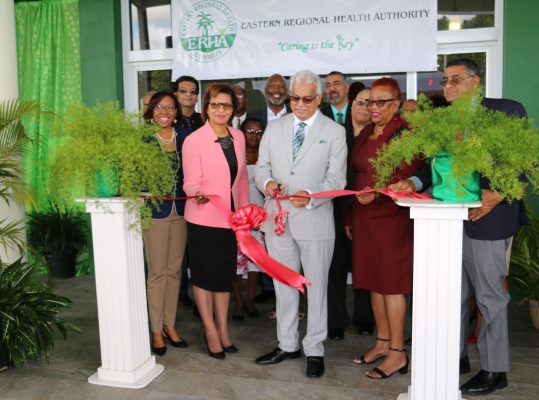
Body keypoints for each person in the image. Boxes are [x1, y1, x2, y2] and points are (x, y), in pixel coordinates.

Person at [389, 58, 527, 395]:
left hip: (488, 220)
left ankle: (495, 370)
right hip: (447, 225)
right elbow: (429, 170)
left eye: (455, 79)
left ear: (475, 82)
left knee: (489, 297)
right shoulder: (440, 122)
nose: (447, 86)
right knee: (454, 295)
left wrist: (497, 195)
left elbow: (524, 161)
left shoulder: (505, 111)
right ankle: (454, 358)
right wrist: (412, 182)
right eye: (445, 80)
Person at [254, 69, 347, 378]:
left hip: (315, 219)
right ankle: (288, 343)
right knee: (283, 285)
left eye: (307, 99)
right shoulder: (275, 127)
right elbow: (261, 167)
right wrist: (267, 184)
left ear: (318, 98)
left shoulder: (333, 131)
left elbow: (337, 178)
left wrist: (310, 195)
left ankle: (315, 349)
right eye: (295, 98)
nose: (300, 104)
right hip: (278, 220)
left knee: (317, 287)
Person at [346, 78, 423, 379]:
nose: (373, 108)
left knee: (392, 286)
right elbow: (356, 172)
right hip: (363, 217)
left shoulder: (407, 134)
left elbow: (408, 175)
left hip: (392, 218)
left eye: (380, 102)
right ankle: (381, 342)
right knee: (373, 283)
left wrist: (377, 192)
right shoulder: (366, 131)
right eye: (369, 102)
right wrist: (350, 216)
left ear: (396, 104)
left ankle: (397, 353)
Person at [182, 83, 249, 360]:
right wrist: (195, 193)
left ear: (234, 110)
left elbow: (241, 178)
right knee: (204, 277)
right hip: (203, 219)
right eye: (215, 105)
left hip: (230, 220)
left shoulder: (238, 137)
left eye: (226, 105)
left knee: (223, 278)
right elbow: (190, 181)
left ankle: (224, 330)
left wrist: (244, 214)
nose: (220, 110)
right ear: (206, 108)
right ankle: (210, 331)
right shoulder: (194, 139)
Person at [142, 91, 190, 356]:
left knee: (174, 271)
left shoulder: (184, 138)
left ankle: (170, 324)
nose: (165, 112)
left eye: (170, 108)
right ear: (151, 110)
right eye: (159, 107)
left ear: (176, 112)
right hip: (155, 213)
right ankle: (155, 329)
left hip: (181, 210)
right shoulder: (141, 140)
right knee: (157, 272)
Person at [327, 84, 373, 341]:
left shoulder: (376, 137)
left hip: (366, 211)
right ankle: (336, 321)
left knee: (364, 267)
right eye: (360, 102)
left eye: (370, 103)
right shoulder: (336, 134)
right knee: (335, 267)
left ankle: (365, 318)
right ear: (351, 105)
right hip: (334, 211)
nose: (364, 107)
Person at [248, 74, 291, 305]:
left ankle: (287, 282)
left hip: (289, 185)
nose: (276, 90)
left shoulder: (296, 116)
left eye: (280, 87)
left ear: (287, 91)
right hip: (261, 181)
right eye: (272, 86)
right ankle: (268, 286)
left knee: (285, 236)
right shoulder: (254, 117)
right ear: (265, 90)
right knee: (265, 234)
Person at [232, 117, 266, 321]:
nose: (254, 135)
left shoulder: (267, 155)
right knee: (236, 262)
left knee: (256, 261)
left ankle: (250, 299)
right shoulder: (235, 153)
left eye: (259, 131)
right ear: (241, 132)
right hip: (237, 214)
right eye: (250, 131)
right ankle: (237, 302)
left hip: (260, 216)